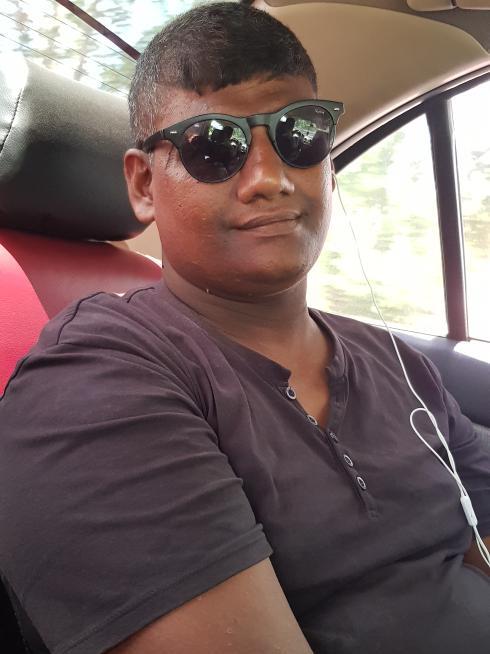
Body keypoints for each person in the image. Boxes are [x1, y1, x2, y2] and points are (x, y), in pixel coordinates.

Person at [0, 3, 488, 654]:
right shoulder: (92, 380)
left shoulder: (397, 360)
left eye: (300, 135)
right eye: (213, 146)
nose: (269, 179)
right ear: (143, 184)